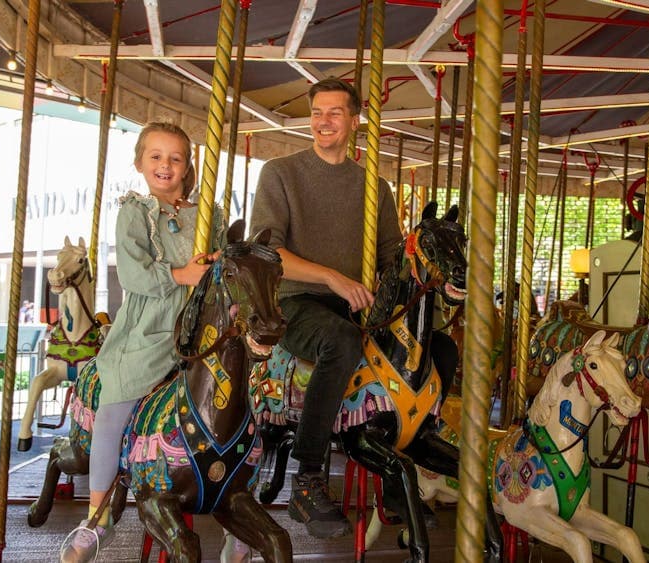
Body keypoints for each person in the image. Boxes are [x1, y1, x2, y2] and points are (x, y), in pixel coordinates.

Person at [250, 77, 414, 539]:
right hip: (295, 304)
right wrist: (332, 277)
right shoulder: (280, 173)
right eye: (317, 112)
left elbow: (390, 255)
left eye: (334, 113)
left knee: (425, 350)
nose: (323, 121)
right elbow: (269, 251)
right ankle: (307, 476)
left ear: (354, 121)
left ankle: (404, 470)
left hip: (356, 306)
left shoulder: (373, 186)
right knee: (340, 340)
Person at [61, 122, 226, 563]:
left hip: (200, 332)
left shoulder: (209, 214)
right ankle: (98, 516)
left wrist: (214, 263)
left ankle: (239, 506)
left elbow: (226, 265)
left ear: (189, 167)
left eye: (175, 158)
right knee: (115, 408)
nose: (165, 166)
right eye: (155, 157)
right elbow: (133, 275)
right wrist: (183, 274)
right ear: (139, 164)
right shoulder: (134, 212)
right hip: (148, 331)